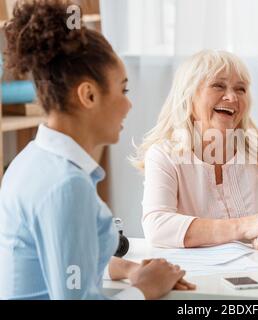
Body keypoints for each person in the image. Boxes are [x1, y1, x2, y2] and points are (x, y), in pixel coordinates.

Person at [0, 0, 194, 300]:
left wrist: (128, 269)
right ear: (88, 95)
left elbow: (59, 263)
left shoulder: (31, 161)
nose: (129, 105)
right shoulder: (66, 185)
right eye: (123, 90)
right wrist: (145, 289)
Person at [132, 50, 258, 251]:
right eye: (218, 85)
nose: (232, 97)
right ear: (188, 94)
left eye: (241, 89)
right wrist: (245, 226)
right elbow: (158, 226)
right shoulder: (165, 155)